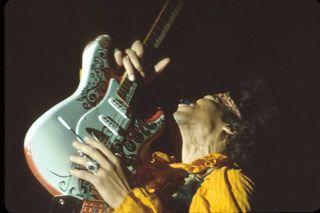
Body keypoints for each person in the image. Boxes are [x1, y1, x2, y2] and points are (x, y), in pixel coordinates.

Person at [68, 40, 254, 212]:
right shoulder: (150, 170)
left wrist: (126, 201)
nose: (189, 98)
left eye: (207, 97)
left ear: (230, 127)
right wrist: (112, 79)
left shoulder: (228, 181)